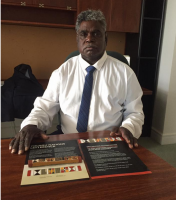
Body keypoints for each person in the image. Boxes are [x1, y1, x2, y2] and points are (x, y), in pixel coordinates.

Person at [9, 9, 144, 155]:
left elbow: (135, 112)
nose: (89, 39)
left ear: (106, 38)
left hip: (108, 142)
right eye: (83, 34)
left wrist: (129, 128)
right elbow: (44, 107)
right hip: (68, 139)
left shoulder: (125, 73)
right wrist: (31, 124)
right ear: (77, 39)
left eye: (96, 33)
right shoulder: (62, 72)